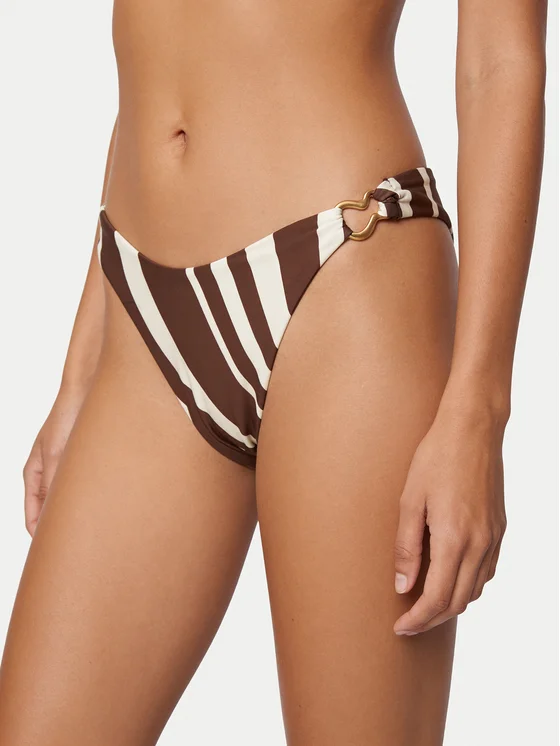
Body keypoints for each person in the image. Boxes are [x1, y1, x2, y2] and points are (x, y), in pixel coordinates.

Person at [0, 1, 547, 743]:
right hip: (142, 299)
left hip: (344, 273)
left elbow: (498, 63)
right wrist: (82, 364)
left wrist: (478, 412)